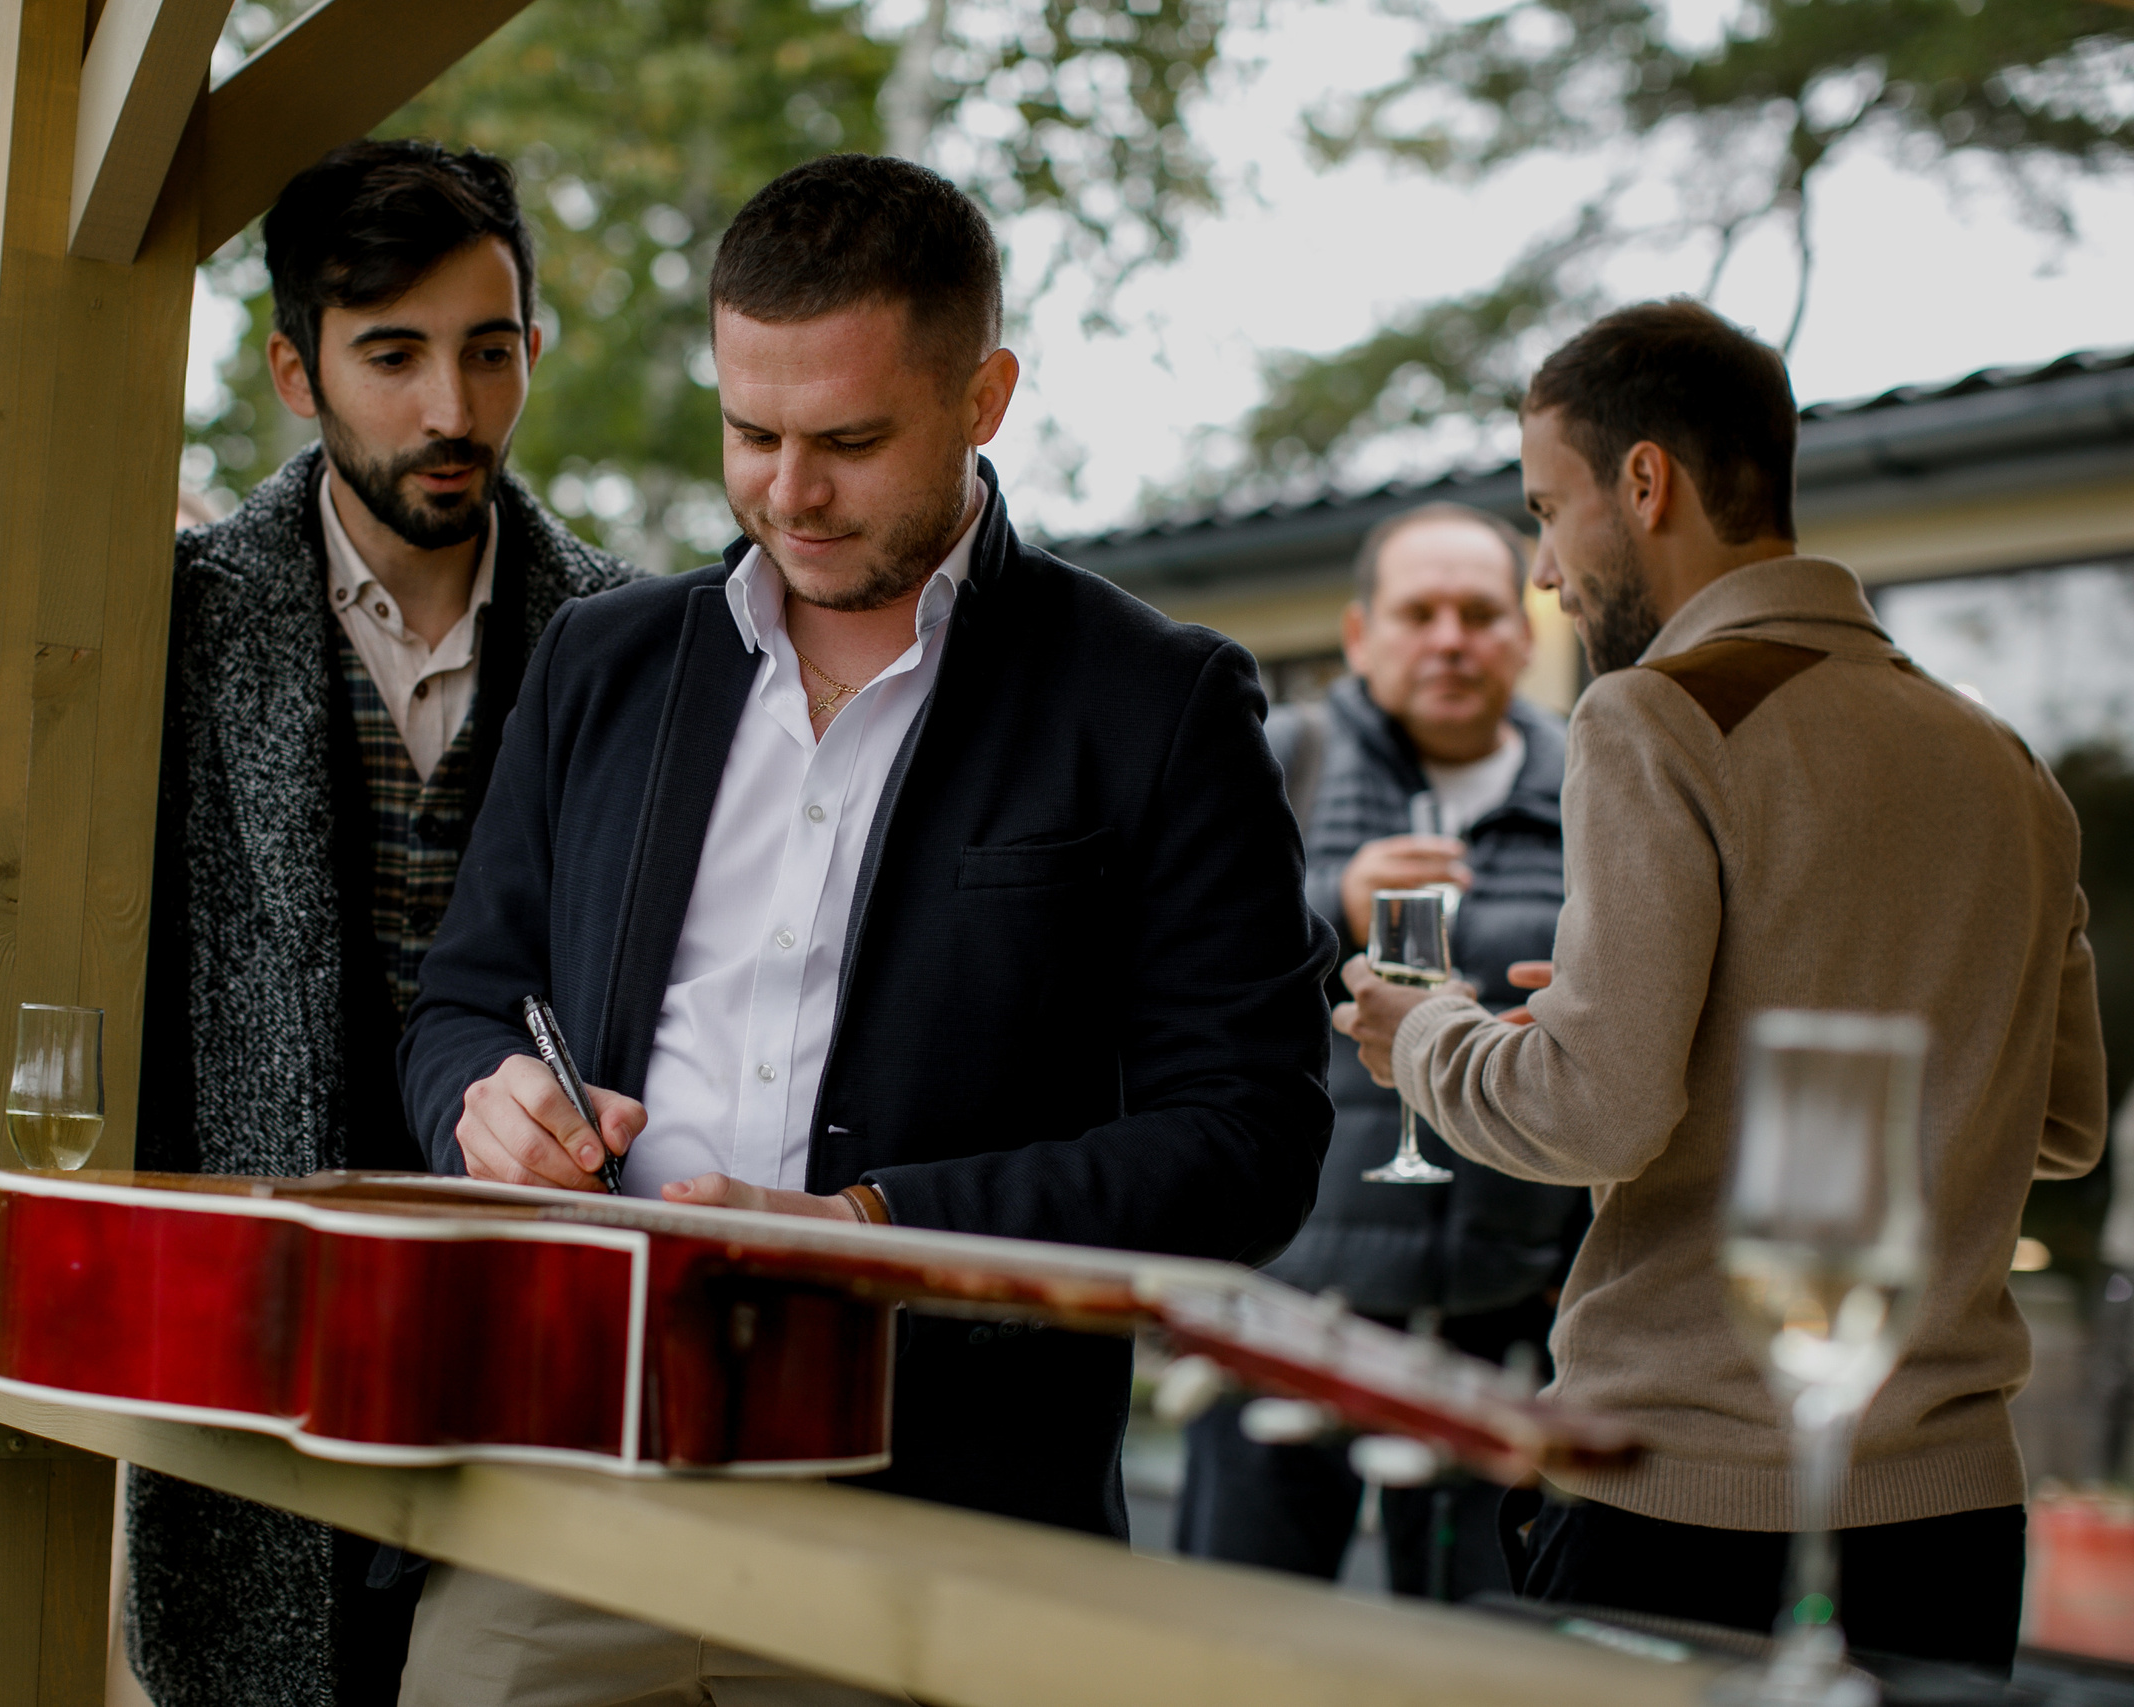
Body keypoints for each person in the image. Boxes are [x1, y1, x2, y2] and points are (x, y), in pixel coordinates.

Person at [395, 153, 1337, 1706]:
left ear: (985, 396)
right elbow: (459, 1008)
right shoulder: (598, 664)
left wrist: (877, 1231)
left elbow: (1250, 1139)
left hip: (947, 1520)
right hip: (564, 1486)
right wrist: (482, 1105)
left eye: (848, 439)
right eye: (749, 432)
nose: (787, 491)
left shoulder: (1154, 701)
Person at [1333, 298, 2108, 1671]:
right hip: (1955, 1514)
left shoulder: (1657, 712)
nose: (1547, 572)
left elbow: (1600, 1113)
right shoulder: (2003, 761)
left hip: (1687, 1496)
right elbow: (2060, 1117)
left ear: (1647, 484)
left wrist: (1428, 1032)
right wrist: (1636, 1011)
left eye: (1549, 509)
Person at [124, 140, 638, 1707]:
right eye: (393, 355)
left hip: (532, 1374)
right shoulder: (174, 621)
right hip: (252, 1365)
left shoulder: (633, 642)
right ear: (296, 367)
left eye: (492, 352)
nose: (453, 410)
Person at [1178, 502, 1582, 1600]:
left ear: (1524, 630)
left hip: (1499, 1327)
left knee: (1463, 1658)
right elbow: (1160, 964)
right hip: (1281, 1315)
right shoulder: (1277, 760)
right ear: (1362, 636)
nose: (1448, 637)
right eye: (1418, 613)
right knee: (1243, 1638)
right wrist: (1329, 903)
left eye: (1478, 613)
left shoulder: (1600, 789)